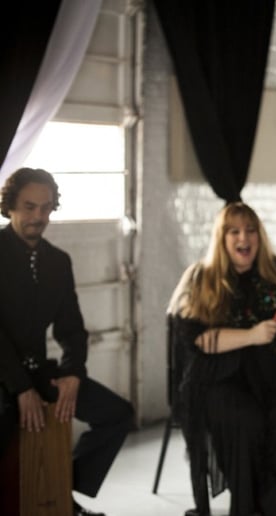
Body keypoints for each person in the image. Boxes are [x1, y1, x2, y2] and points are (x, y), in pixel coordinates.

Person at [168, 201, 276, 516]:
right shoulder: (202, 278)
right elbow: (197, 339)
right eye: (235, 232)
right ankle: (250, 506)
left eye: (251, 230)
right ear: (222, 238)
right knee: (244, 419)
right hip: (222, 379)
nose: (244, 238)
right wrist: (251, 336)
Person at [0, 168, 135, 516]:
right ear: (10, 206)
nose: (38, 217)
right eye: (29, 207)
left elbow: (72, 329)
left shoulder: (58, 262)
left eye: (46, 208)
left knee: (117, 414)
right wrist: (20, 389)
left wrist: (73, 373)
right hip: (4, 375)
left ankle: (61, 492)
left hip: (39, 373)